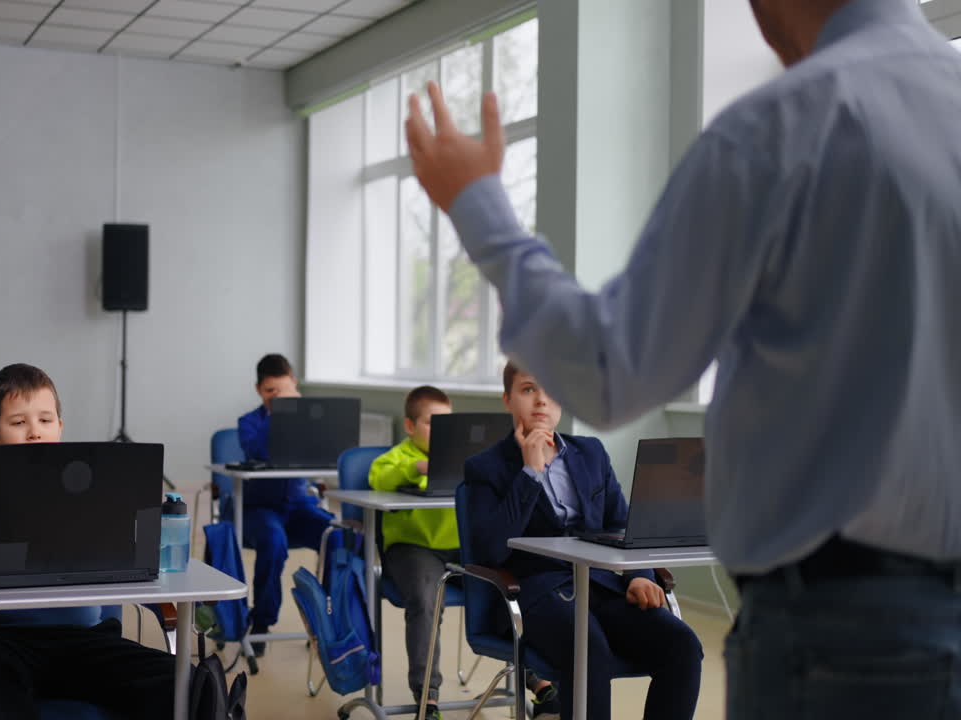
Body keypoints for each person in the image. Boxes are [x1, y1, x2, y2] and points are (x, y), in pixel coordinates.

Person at [405, 1, 961, 717]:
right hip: (870, 621)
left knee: (667, 647)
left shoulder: (783, 127)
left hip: (842, 634)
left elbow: (610, 368)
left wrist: (477, 205)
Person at [0, 363, 176, 720]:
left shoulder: (95, 485)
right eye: (18, 423)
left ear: (60, 427)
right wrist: (21, 546)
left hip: (88, 640)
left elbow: (141, 542)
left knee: (182, 684)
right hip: (1, 642)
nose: (34, 433)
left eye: (45, 420)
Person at [465, 363, 701, 720]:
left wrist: (639, 575)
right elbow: (490, 549)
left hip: (603, 585)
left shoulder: (590, 452)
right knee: (589, 651)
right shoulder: (486, 467)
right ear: (507, 400)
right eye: (528, 390)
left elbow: (621, 524)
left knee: (682, 646)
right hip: (535, 593)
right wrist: (530, 473)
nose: (542, 400)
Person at [236, 353, 336, 651]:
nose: (276, 397)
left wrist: (298, 412)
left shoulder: (310, 422)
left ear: (294, 384)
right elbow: (256, 451)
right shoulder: (249, 423)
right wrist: (279, 413)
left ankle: (325, 618)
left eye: (283, 391)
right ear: (258, 390)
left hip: (300, 506)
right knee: (273, 542)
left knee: (338, 536)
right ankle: (262, 621)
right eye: (270, 392)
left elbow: (329, 451)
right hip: (260, 507)